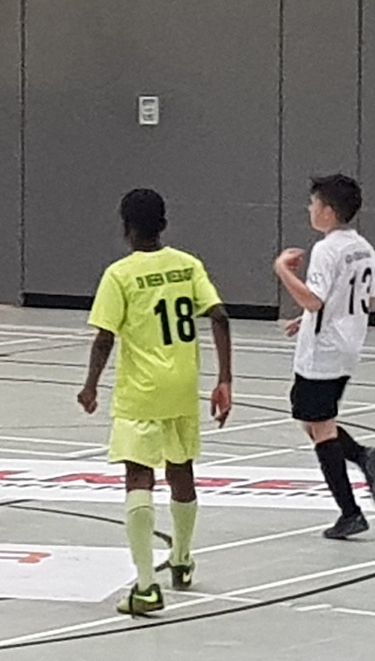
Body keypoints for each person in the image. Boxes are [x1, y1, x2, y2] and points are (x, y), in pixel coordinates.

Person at [78, 189, 232, 616]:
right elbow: (220, 316)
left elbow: (105, 337)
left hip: (141, 392)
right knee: (181, 470)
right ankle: (182, 558)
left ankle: (146, 586)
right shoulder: (187, 265)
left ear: (126, 227)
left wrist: (90, 385)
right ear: (164, 223)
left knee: (138, 476)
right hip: (183, 387)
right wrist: (225, 379)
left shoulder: (120, 275)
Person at [275, 173, 375, 540]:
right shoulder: (364, 248)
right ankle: (361, 456)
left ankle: (350, 511)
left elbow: (314, 299)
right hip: (348, 345)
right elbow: (371, 299)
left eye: (313, 203)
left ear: (327, 211)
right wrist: (308, 319)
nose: (309, 209)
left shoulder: (327, 250)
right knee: (312, 422)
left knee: (320, 428)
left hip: (322, 351)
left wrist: (281, 270)